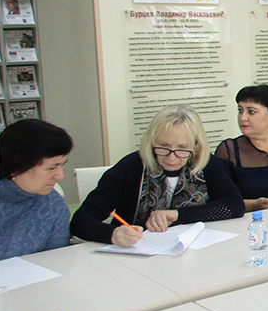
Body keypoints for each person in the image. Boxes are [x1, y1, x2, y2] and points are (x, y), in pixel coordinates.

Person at [71, 105, 244, 246]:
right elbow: (80, 222)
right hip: (136, 255)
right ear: (152, 140)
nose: (171, 157)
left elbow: (234, 206)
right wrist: (114, 234)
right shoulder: (131, 167)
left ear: (196, 145)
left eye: (182, 148)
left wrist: (178, 215)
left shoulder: (206, 163)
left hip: (191, 252)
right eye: (163, 147)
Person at [0, 119, 73, 260]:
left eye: (61, 165)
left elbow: (55, 261)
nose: (60, 176)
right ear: (17, 166)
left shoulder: (54, 207)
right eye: (51, 168)